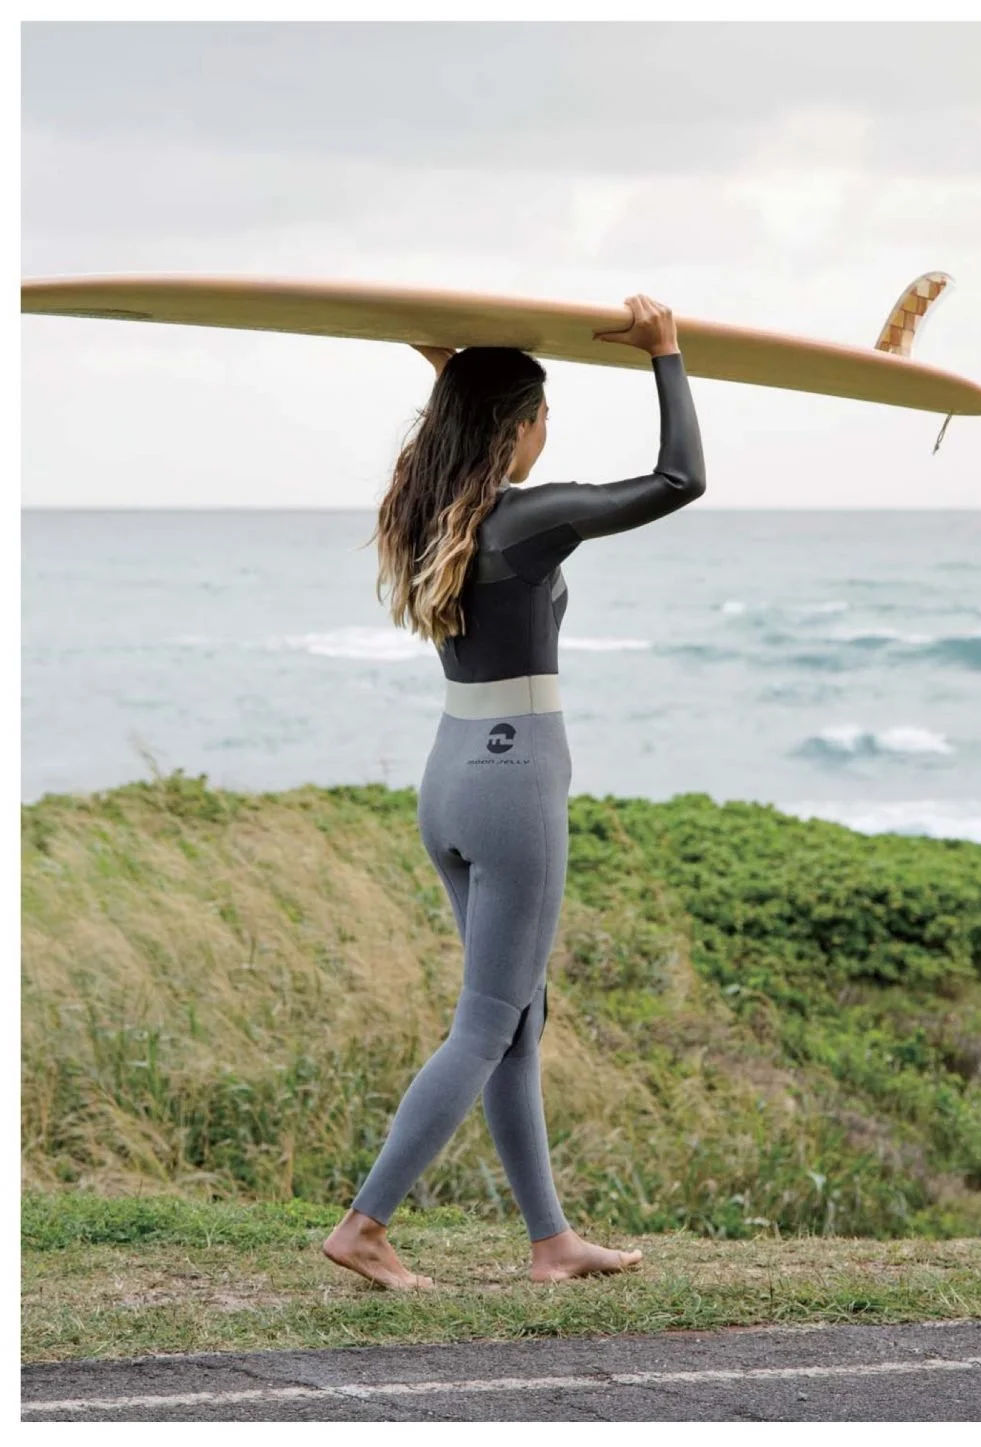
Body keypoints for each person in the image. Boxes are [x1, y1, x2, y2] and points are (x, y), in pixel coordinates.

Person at [323, 295, 705, 1290]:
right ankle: (364, 1224)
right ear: (517, 427)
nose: (548, 435)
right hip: (513, 778)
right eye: (542, 417)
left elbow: (456, 433)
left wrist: (450, 364)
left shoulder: (427, 507)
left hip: (450, 772)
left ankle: (550, 1241)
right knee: (488, 1022)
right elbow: (679, 479)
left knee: (516, 1017)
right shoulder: (530, 519)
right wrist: (666, 352)